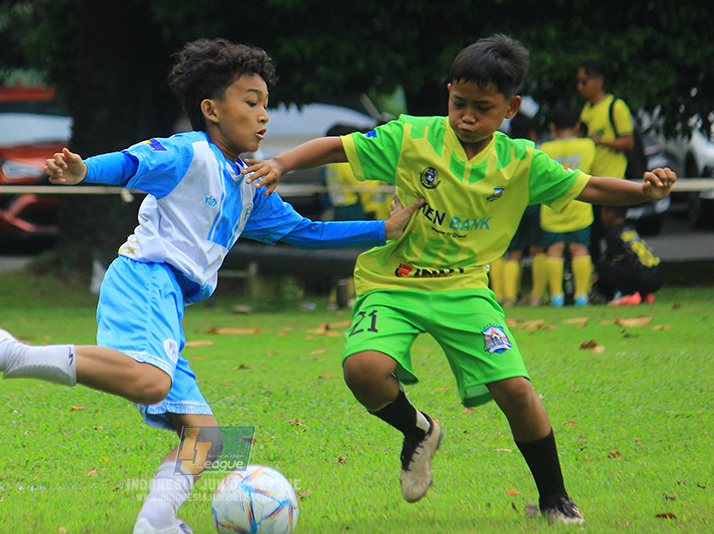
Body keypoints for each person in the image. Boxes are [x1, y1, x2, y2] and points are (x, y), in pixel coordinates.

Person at [0, 38, 424, 534]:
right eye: (251, 102)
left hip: (168, 299)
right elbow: (132, 162)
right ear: (211, 109)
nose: (263, 115)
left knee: (207, 437)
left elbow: (305, 232)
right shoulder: (190, 153)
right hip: (146, 278)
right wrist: (83, 171)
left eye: (265, 105)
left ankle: (157, 522)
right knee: (152, 381)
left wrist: (383, 230)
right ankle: (5, 352)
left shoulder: (250, 183)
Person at [242, 34, 677, 525]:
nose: (468, 116)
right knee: (362, 369)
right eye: (459, 103)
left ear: (511, 107)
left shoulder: (521, 162)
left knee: (516, 390)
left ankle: (555, 498)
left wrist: (642, 190)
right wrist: (280, 161)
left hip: (464, 287)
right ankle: (418, 430)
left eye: (483, 108)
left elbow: (591, 187)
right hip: (396, 282)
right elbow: (337, 148)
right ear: (448, 92)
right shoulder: (414, 138)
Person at [576, 61, 634, 263]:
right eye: (578, 82)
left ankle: (625, 280)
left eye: (584, 82)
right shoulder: (586, 110)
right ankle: (601, 283)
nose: (579, 87)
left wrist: (602, 142)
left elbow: (628, 141)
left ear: (598, 81)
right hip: (593, 182)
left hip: (614, 180)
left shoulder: (615, 106)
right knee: (593, 237)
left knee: (615, 234)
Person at [538, 104, 596, 306]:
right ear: (577, 125)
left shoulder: (544, 149)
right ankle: (581, 295)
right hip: (580, 207)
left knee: (554, 251)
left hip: (552, 208)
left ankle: (557, 296)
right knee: (580, 250)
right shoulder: (588, 146)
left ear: (552, 126)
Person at [489, 111, 548, 306]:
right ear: (532, 133)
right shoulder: (537, 151)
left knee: (510, 251)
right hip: (535, 204)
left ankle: (504, 296)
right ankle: (536, 296)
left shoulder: (504, 151)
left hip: (510, 205)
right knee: (537, 248)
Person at [594, 205, 663, 306]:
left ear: (609, 214)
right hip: (657, 276)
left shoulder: (613, 232)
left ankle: (630, 294)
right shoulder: (629, 228)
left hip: (643, 278)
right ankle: (646, 294)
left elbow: (614, 260)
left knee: (604, 265)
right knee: (631, 265)